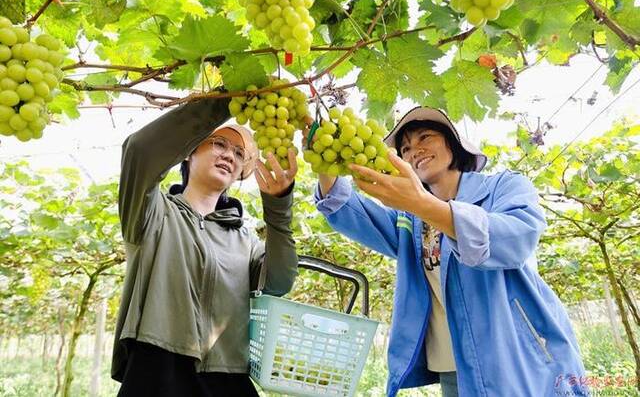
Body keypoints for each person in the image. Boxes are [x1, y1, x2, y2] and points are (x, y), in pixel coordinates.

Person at [313, 106, 587, 396]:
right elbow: (347, 208)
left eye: (425, 138)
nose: (413, 150)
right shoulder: (411, 222)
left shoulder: (503, 187)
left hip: (517, 362)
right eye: (405, 148)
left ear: (452, 143)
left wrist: (421, 204)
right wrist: (324, 157)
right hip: (455, 370)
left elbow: (517, 237)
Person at [111, 98, 299, 396]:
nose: (229, 155)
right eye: (219, 144)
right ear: (188, 152)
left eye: (239, 153)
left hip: (226, 378)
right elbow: (139, 151)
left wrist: (278, 206)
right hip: (157, 372)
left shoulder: (245, 239)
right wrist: (227, 99)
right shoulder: (153, 214)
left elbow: (279, 281)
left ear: (240, 172)